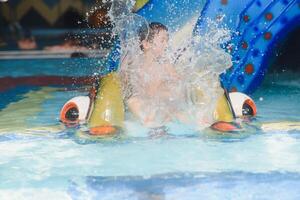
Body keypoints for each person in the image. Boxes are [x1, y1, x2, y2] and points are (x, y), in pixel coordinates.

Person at [119, 22, 184, 128]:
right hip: (141, 104)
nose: (166, 45)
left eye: (167, 40)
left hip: (159, 104)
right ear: (146, 44)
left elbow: (178, 82)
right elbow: (124, 84)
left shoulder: (165, 64)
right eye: (162, 41)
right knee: (132, 101)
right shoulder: (134, 63)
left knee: (175, 107)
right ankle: (149, 121)